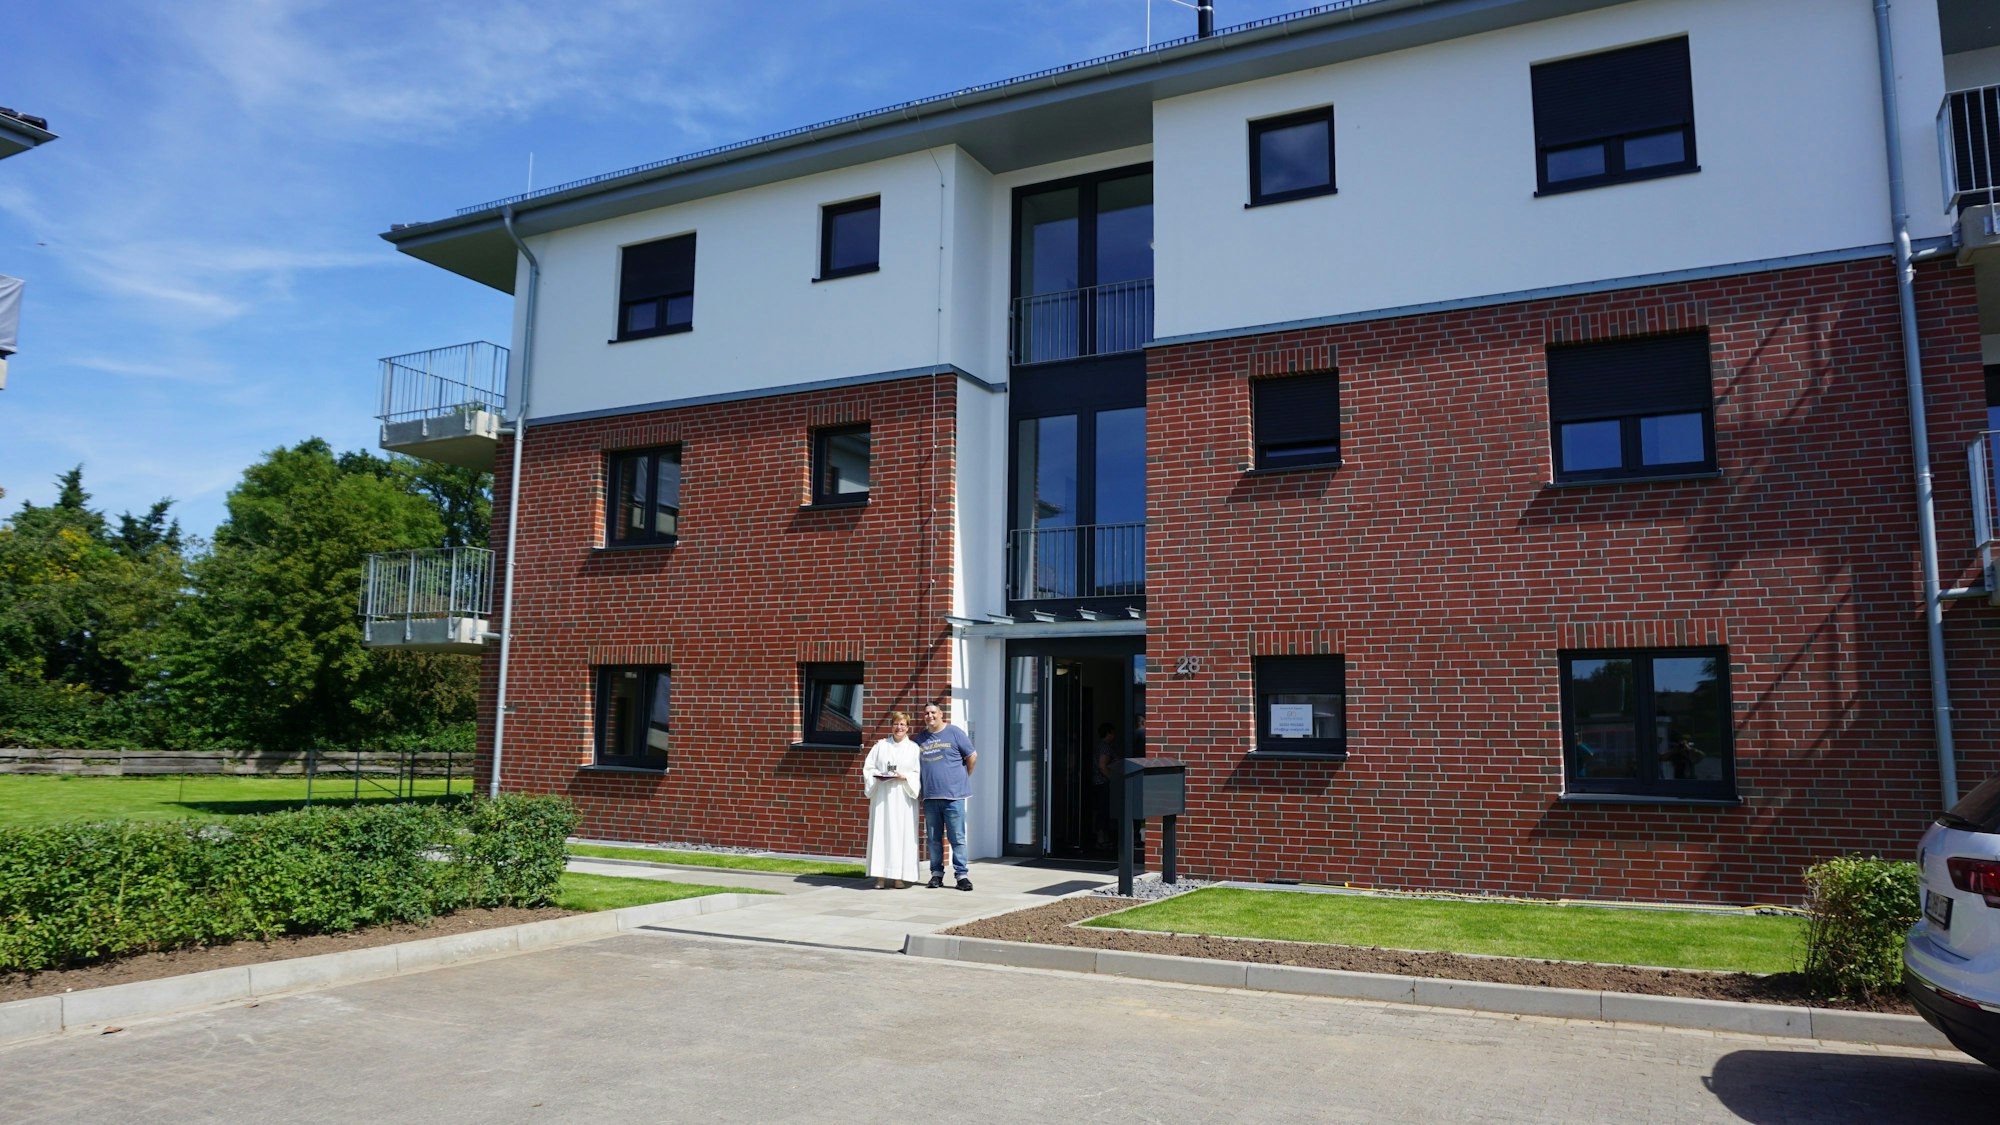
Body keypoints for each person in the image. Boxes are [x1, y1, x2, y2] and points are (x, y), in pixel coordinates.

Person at [917, 700, 977, 890]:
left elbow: (972, 756)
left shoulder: (954, 732)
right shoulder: (919, 740)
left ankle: (961, 876)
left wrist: (964, 777)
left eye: (933, 712)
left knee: (957, 837)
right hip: (930, 797)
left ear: (941, 714)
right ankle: (936, 875)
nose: (930, 716)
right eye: (927, 713)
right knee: (933, 839)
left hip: (954, 797)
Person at [863, 711, 922, 888]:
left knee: (901, 835)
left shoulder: (913, 748)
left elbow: (917, 773)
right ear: (891, 726)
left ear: (908, 727)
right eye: (896, 724)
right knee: (882, 834)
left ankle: (899, 877)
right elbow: (868, 768)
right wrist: (877, 775)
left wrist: (905, 777)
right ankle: (880, 877)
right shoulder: (880, 746)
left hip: (903, 798)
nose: (899, 727)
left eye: (903, 724)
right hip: (883, 797)